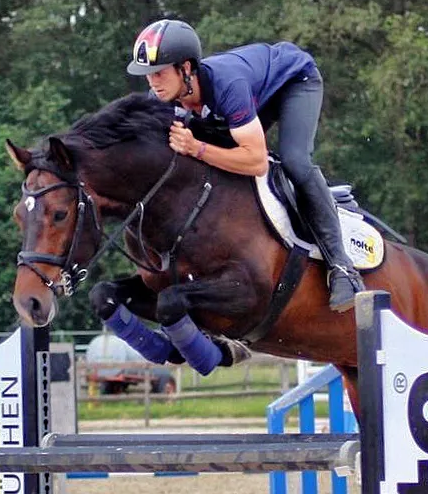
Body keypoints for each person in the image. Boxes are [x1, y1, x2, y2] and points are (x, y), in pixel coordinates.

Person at [126, 18, 365, 313]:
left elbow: (255, 162)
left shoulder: (228, 85)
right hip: (252, 94)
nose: (152, 83)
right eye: (148, 75)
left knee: (294, 160)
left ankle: (342, 268)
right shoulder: (162, 99)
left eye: (159, 73)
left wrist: (197, 148)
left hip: (293, 83)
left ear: (185, 68)